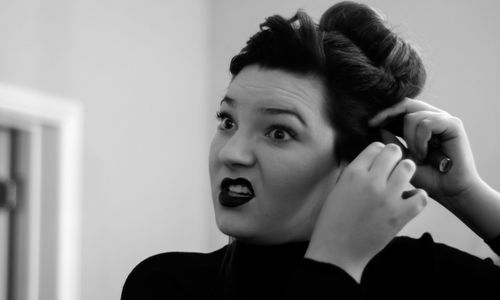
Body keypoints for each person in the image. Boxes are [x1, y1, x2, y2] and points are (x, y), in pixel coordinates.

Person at [121, 1, 500, 299]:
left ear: (357, 160)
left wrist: (466, 193)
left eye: (279, 132)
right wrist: (333, 266)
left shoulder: (426, 278)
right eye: (227, 121)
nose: (231, 153)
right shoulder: (165, 284)